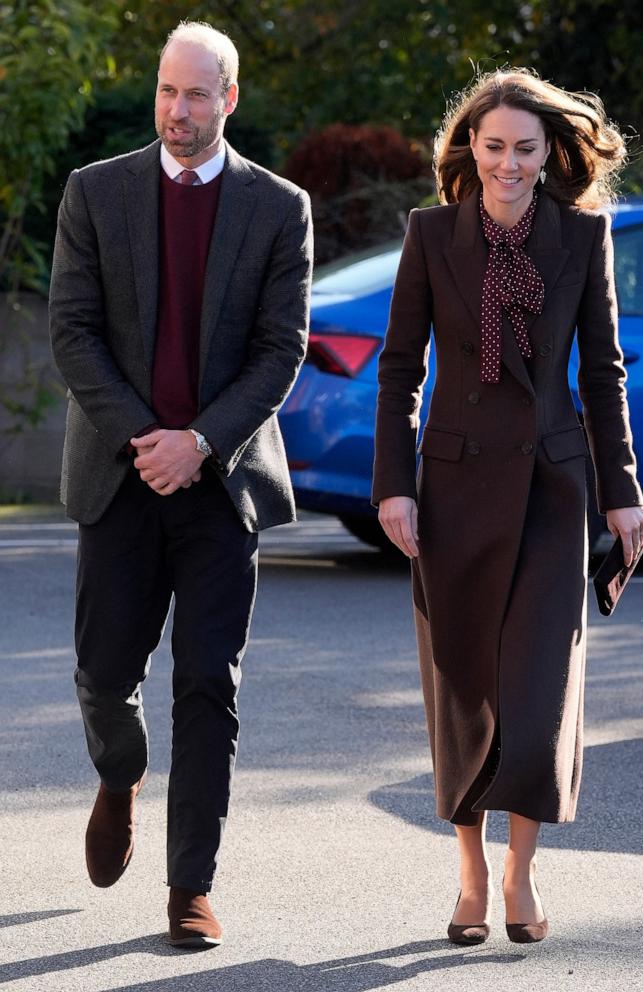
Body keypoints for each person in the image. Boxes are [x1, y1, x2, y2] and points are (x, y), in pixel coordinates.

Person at [49, 21, 312, 948]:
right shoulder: (96, 191)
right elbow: (73, 331)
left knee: (208, 683)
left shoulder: (278, 207)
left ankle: (190, 887)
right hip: (119, 480)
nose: (178, 110)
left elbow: (282, 348)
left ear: (229, 100)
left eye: (198, 94)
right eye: (168, 90)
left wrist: (199, 443)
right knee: (102, 675)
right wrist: (145, 441)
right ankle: (119, 776)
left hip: (220, 486)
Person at [372, 68, 643, 945]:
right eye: (492, 147)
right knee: (464, 694)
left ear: (547, 153)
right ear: (471, 151)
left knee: (535, 700)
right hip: (450, 493)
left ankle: (521, 874)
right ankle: (468, 873)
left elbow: (601, 373)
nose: (507, 164)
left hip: (549, 492)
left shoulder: (579, 237)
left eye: (524, 149)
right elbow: (399, 370)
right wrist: (393, 484)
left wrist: (623, 493)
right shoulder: (429, 235)